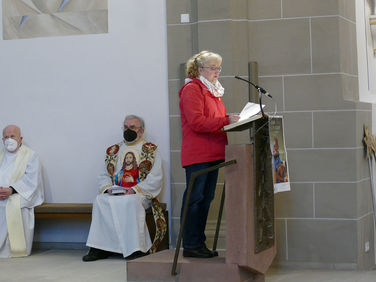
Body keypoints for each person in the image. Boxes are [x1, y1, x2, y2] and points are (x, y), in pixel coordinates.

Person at [179, 51, 240, 258]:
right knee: (195, 199)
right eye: (213, 68)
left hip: (214, 152)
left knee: (206, 199)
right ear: (199, 70)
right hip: (198, 153)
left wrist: (232, 120)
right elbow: (196, 122)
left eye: (218, 68)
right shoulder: (192, 89)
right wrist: (226, 120)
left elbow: (216, 119)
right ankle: (190, 244)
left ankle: (198, 244)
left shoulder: (213, 91)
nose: (217, 72)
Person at [83, 115, 164, 261]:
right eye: (126, 127)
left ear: (141, 131)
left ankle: (135, 249)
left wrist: (134, 190)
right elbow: (103, 174)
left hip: (138, 193)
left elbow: (155, 178)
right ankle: (99, 248)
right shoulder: (113, 151)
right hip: (116, 191)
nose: (128, 130)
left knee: (130, 202)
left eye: (132, 127)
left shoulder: (150, 151)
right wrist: (108, 189)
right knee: (100, 201)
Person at [0, 125, 44, 258]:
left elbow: (32, 180)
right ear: (2, 140)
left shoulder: (30, 155)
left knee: (11, 205)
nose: (9, 140)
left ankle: (10, 248)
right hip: (2, 193)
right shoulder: (1, 155)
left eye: (12, 136)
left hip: (22, 193)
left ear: (20, 138)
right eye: (6, 137)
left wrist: (11, 190)